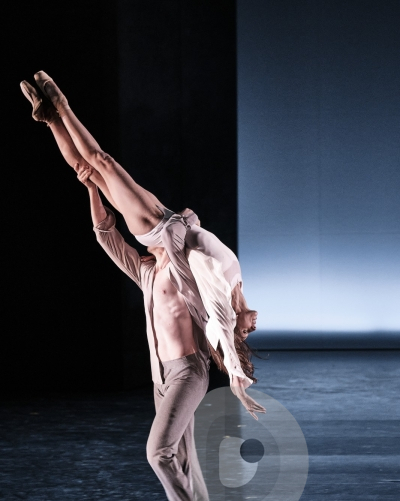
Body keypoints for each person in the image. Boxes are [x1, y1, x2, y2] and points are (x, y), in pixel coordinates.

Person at [20, 71, 260, 406]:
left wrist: (235, 372)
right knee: (87, 170)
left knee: (102, 162)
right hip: (164, 219)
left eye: (245, 332)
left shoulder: (219, 294)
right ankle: (49, 119)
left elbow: (222, 319)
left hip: (156, 225)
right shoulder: (239, 282)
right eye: (251, 331)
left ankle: (62, 106)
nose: (253, 325)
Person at [75, 162, 265, 501]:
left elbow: (214, 285)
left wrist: (238, 337)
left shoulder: (186, 273)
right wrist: (91, 186)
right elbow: (106, 236)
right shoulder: (147, 273)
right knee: (182, 457)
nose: (145, 229)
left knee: (157, 452)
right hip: (161, 378)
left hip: (189, 372)